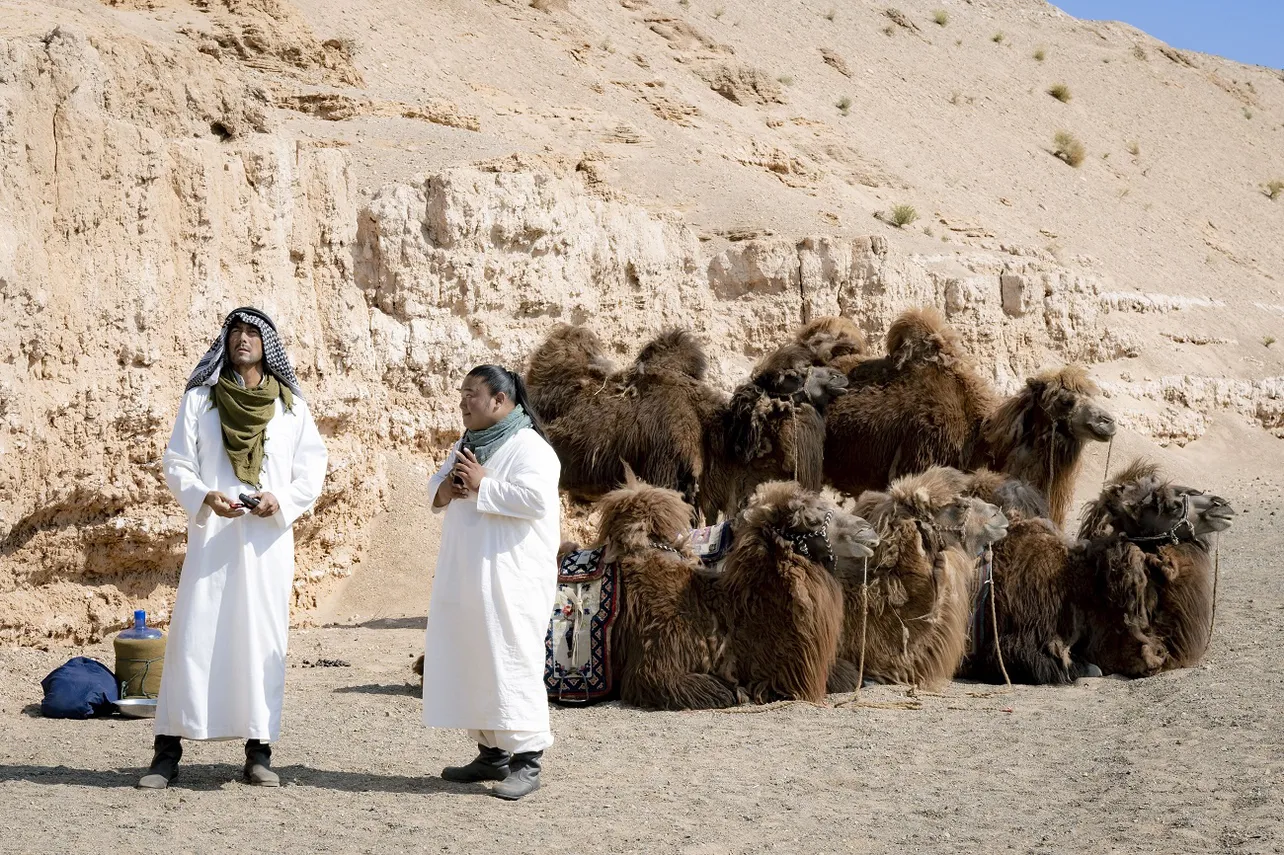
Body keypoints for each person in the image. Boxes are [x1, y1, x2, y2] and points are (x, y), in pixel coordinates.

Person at [138, 307, 327, 790]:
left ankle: (259, 752)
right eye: (235, 331)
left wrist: (278, 498)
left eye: (253, 331)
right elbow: (177, 461)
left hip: (266, 546)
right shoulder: (200, 400)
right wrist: (205, 495)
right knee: (193, 640)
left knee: (260, 641)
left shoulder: (291, 408)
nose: (243, 338)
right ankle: (166, 754)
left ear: (269, 343)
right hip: (213, 539)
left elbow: (311, 471)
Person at [422, 365, 561, 801]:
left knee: (512, 660)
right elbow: (436, 491)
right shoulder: (466, 444)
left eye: (472, 394)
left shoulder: (530, 448)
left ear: (500, 401)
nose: (463, 402)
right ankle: (491, 753)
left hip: (511, 580)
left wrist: (483, 484)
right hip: (469, 575)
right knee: (477, 659)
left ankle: (527, 760)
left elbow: (536, 500)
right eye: (461, 393)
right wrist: (448, 487)